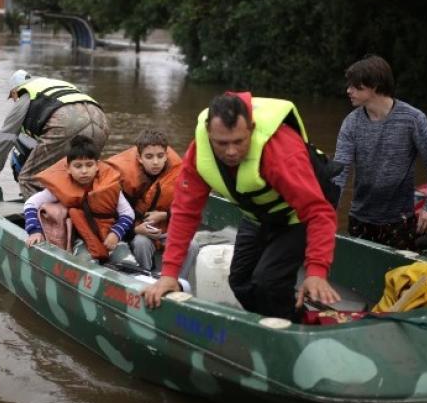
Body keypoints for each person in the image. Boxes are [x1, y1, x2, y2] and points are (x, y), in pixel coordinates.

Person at [143, 92, 340, 321]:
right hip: (258, 214)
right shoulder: (199, 153)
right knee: (240, 281)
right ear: (209, 133)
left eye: (239, 141)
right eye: (222, 143)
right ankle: (267, 324)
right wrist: (169, 274)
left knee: (268, 282)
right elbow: (185, 213)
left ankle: (298, 327)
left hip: (299, 215)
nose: (231, 152)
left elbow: (319, 212)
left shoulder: (280, 153)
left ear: (252, 128)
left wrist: (316, 271)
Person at [333, 54, 427, 250]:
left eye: (355, 86)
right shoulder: (351, 123)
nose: (348, 90)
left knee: (398, 279)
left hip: (400, 220)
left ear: (375, 86)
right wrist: (327, 208)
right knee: (359, 279)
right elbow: (339, 170)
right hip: (359, 217)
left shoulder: (413, 119)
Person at [0, 69, 110, 199]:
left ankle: (39, 217)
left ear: (15, 91)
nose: (14, 100)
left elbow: (5, 137)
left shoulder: (25, 94)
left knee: (29, 179)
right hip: (100, 119)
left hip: (67, 120)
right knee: (85, 173)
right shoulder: (52, 85)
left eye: (12, 97)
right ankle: (88, 212)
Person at [106, 129, 199, 279]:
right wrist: (136, 230)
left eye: (160, 156)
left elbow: (190, 210)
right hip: (137, 232)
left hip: (166, 230)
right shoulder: (125, 180)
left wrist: (165, 214)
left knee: (192, 245)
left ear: (166, 156)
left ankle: (178, 281)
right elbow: (113, 217)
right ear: (139, 158)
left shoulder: (179, 175)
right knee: (142, 243)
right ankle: (145, 279)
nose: (155, 162)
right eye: (149, 157)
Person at [24, 136, 134, 262]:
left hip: (111, 238)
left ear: (97, 166)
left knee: (129, 263)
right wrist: (34, 231)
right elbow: (30, 203)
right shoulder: (58, 188)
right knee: (86, 263)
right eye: (78, 166)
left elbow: (128, 214)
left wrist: (116, 234)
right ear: (68, 169)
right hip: (81, 242)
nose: (84, 171)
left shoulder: (109, 186)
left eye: (89, 165)